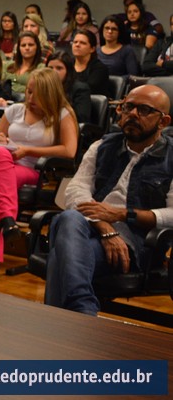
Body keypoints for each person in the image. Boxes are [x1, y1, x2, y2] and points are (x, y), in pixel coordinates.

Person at [45, 84, 172, 316]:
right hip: (91, 227)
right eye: (128, 107)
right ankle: (82, 310)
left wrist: (123, 215)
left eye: (143, 110)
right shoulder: (101, 146)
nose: (132, 114)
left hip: (136, 243)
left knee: (59, 257)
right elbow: (74, 192)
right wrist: (104, 226)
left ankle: (75, 315)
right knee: (70, 216)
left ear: (163, 122)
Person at [0, 69, 78, 279]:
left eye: (36, 95)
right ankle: (7, 219)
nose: (30, 98)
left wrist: (28, 150)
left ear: (50, 95)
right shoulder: (15, 111)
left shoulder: (63, 115)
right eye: (28, 92)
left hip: (31, 169)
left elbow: (69, 151)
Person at [46, 51, 91, 124]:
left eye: (59, 68)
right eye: (50, 68)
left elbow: (81, 118)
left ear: (68, 71)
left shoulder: (80, 89)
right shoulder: (43, 87)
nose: (54, 72)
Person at [70, 30, 110, 97]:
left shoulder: (100, 69)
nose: (77, 45)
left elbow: (86, 89)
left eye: (82, 43)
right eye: (75, 42)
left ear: (92, 49)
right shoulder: (67, 64)